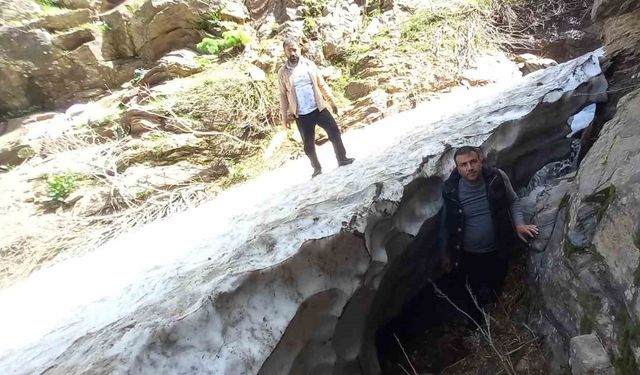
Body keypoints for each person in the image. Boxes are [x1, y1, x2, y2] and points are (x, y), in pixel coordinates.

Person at [440, 146, 538, 321]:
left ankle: (496, 311)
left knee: (496, 283)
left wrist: (519, 225)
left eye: (473, 162)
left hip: (498, 248)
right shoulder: (451, 189)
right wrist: (446, 254)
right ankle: (477, 323)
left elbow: (513, 201)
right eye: (463, 165)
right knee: (471, 291)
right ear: (457, 168)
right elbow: (446, 223)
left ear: (480, 160)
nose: (469, 168)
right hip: (468, 255)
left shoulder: (496, 177)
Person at [277, 38, 354, 178]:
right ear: (285, 53)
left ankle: (342, 158)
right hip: (301, 113)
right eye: (289, 51)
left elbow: (321, 84)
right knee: (308, 145)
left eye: (294, 49)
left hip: (318, 108)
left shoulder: (308, 64)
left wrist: (331, 101)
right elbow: (283, 95)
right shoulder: (282, 73)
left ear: (299, 49)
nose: (292, 53)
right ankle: (317, 168)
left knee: (334, 132)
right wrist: (284, 116)